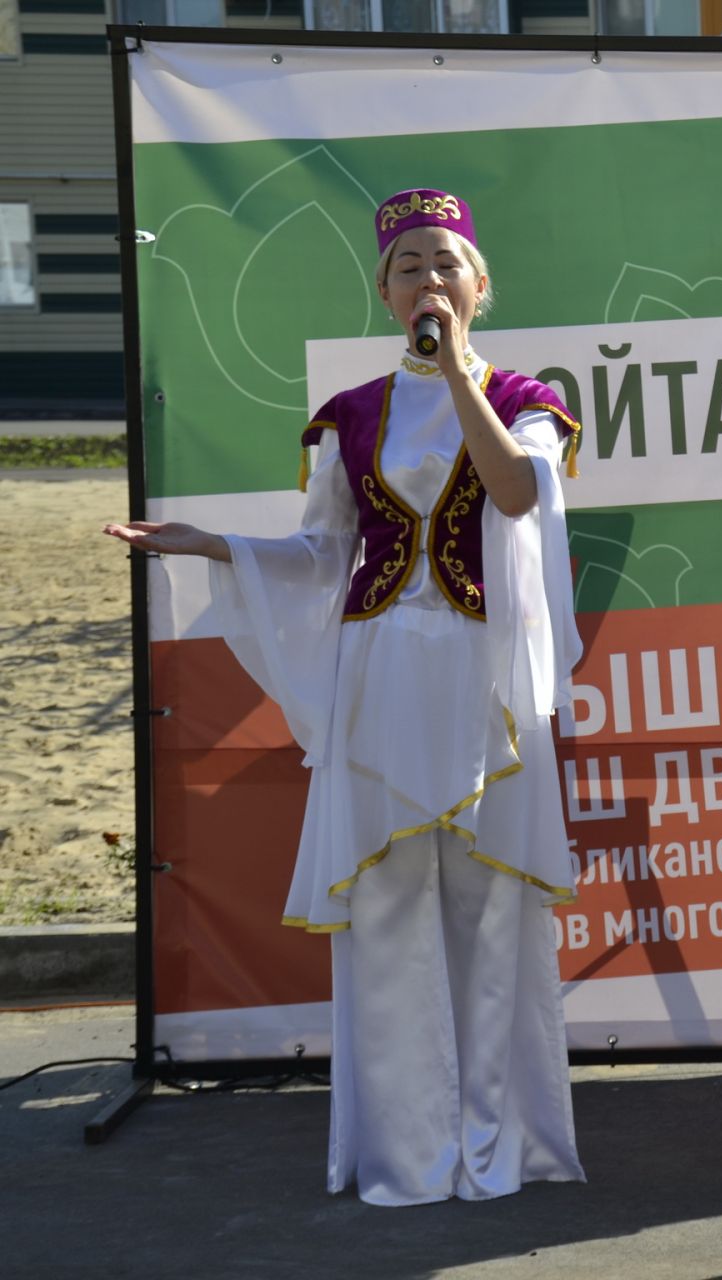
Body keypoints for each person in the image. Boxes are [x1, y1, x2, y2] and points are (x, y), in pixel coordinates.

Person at [105, 189, 586, 1206]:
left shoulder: (530, 399)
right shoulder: (349, 415)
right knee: (391, 904)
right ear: (383, 289)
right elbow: (326, 551)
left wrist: (459, 373)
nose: (429, 281)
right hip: (382, 674)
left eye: (448, 264)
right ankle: (407, 1151)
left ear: (480, 285)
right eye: (409, 266)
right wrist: (218, 546)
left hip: (483, 677)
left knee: (491, 907)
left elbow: (515, 494)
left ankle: (497, 1144)